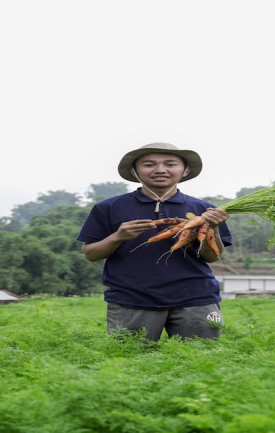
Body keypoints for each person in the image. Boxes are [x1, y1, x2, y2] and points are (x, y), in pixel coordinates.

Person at [76, 142, 232, 342]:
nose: (160, 170)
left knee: (201, 361)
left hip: (195, 298)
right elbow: (90, 254)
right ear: (135, 171)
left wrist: (213, 228)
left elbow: (212, 257)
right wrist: (118, 236)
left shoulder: (205, 209)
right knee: (130, 363)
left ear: (185, 170)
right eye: (149, 165)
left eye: (170, 164)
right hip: (131, 299)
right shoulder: (109, 207)